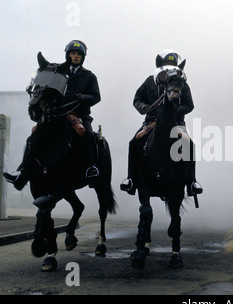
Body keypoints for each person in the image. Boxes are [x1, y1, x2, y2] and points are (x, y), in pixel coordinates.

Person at [3, 40, 101, 190]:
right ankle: (22, 172)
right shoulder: (57, 72)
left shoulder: (89, 76)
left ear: (82, 57)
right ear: (68, 55)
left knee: (88, 134)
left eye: (78, 54)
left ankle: (92, 167)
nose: (75, 56)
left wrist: (84, 97)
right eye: (72, 54)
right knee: (33, 137)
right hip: (57, 114)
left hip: (79, 114)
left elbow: (96, 96)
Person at [120, 49, 202, 196]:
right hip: (151, 122)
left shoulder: (181, 83)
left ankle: (192, 182)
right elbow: (137, 99)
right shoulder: (150, 81)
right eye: (166, 63)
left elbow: (189, 105)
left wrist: (171, 112)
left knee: (189, 145)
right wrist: (144, 107)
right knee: (134, 142)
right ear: (160, 64)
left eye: (172, 63)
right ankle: (131, 179)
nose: (169, 66)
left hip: (176, 123)